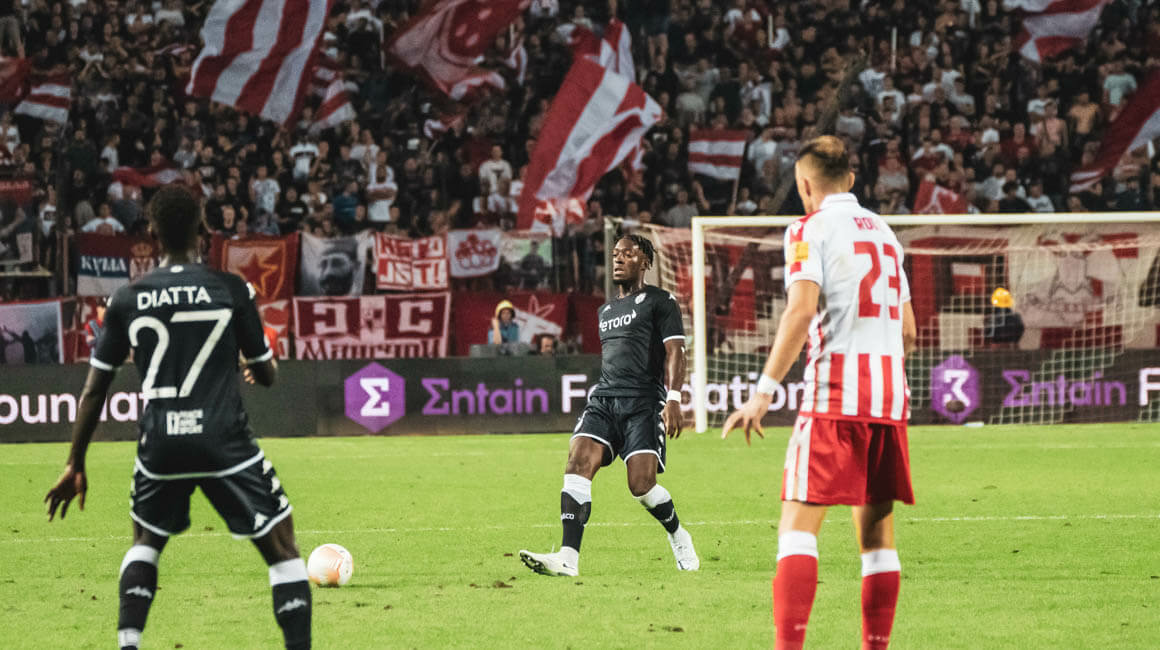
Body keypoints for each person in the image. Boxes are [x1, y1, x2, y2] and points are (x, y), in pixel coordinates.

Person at [43, 185, 311, 650]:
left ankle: (129, 643)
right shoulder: (231, 289)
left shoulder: (127, 298)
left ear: (152, 233)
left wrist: (75, 462)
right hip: (225, 441)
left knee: (146, 542)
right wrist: (251, 363)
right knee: (281, 547)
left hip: (161, 443)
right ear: (203, 230)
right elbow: (266, 374)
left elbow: (94, 390)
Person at [723, 137, 916, 650]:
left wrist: (763, 393)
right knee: (877, 538)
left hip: (836, 394)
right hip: (889, 398)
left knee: (797, 527)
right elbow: (910, 331)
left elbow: (801, 310)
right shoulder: (886, 233)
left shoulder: (807, 229)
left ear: (804, 185)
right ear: (851, 179)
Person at [519, 234, 698, 577]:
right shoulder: (606, 311)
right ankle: (568, 558)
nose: (618, 259)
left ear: (645, 261)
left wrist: (674, 397)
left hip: (643, 403)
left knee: (641, 485)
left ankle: (678, 534)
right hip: (604, 400)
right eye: (615, 254)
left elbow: (676, 350)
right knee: (577, 462)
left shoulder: (661, 301)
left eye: (628, 254)